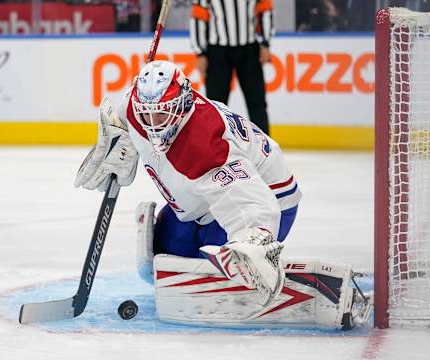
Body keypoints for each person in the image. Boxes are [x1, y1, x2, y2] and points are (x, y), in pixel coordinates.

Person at [74, 61, 371, 329]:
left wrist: (256, 239)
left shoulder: (204, 145)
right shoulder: (135, 108)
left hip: (269, 196)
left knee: (213, 272)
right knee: (163, 257)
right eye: (146, 114)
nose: (154, 124)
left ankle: (256, 272)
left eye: (162, 114)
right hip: (203, 201)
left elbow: (253, 200)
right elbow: (128, 113)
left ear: (184, 102)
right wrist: (122, 135)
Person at [189, 0, 274, 135]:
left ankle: (265, 150)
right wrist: (200, 52)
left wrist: (265, 43)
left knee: (257, 101)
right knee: (215, 106)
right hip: (218, 51)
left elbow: (265, 8)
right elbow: (199, 16)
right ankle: (213, 149)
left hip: (249, 48)